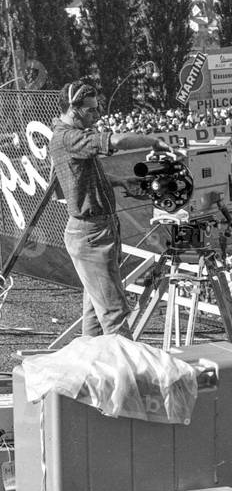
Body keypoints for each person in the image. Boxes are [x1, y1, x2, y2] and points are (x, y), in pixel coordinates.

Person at [50, 79, 169, 336]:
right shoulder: (70, 138)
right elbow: (116, 141)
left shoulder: (67, 137)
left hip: (95, 229)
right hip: (92, 231)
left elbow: (79, 180)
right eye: (91, 110)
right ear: (74, 109)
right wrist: (153, 141)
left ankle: (93, 366)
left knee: (95, 312)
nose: (96, 115)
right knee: (114, 313)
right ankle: (128, 374)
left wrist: (118, 181)